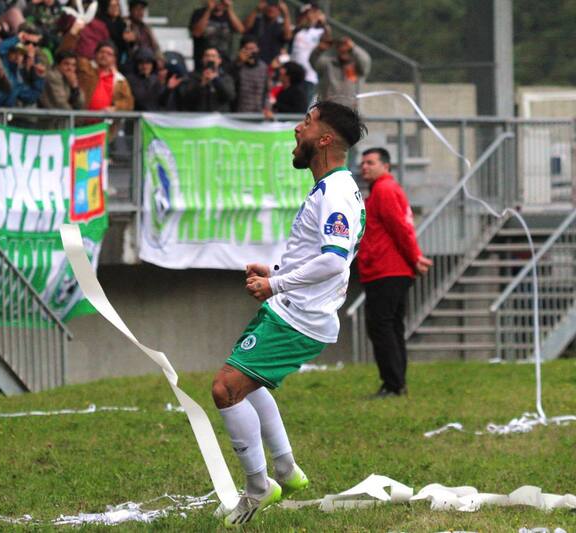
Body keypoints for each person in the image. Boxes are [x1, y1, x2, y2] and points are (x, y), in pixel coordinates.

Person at [211, 101, 367, 526]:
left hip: (299, 316)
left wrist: (276, 285)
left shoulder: (335, 191)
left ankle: (259, 487)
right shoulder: (331, 186)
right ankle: (285, 469)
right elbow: (318, 255)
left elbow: (334, 260)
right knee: (247, 384)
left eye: (307, 122)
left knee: (226, 389)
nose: (298, 129)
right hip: (292, 308)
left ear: (325, 139)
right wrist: (276, 273)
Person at [357, 148, 432, 398]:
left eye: (370, 162)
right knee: (391, 326)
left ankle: (393, 384)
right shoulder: (384, 190)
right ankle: (397, 382)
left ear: (386, 166)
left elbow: (400, 228)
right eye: (363, 163)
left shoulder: (384, 189)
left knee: (382, 326)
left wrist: (415, 257)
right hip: (390, 269)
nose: (364, 167)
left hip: (386, 270)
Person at [310, 33, 371, 109]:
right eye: (340, 47)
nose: (344, 50)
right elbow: (315, 62)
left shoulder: (358, 66)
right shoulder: (327, 64)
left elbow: (365, 60)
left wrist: (353, 47)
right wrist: (319, 49)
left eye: (347, 49)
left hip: (352, 108)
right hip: (329, 108)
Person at [289, 2, 327, 103]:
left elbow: (327, 40)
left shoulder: (320, 32)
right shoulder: (297, 31)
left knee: (304, 106)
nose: (309, 16)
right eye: (306, 14)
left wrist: (322, 23)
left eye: (312, 13)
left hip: (309, 77)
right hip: (292, 77)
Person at [189, 0, 245, 65]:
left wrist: (229, 8)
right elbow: (197, 33)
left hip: (224, 59)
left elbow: (240, 30)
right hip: (204, 59)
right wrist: (209, 10)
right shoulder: (199, 13)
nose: (219, 3)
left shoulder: (229, 14)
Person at [181, 47, 235, 112]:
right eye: (207, 56)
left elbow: (230, 96)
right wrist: (201, 84)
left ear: (219, 60)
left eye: (213, 56)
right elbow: (187, 98)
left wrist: (216, 79)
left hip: (219, 116)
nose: (210, 59)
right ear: (203, 59)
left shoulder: (225, 77)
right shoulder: (193, 76)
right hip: (199, 115)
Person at [40, 49, 85, 128]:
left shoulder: (71, 78)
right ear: (57, 65)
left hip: (64, 124)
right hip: (50, 125)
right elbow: (61, 104)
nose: (70, 68)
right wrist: (76, 118)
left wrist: (75, 87)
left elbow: (81, 103)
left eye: (73, 65)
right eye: (66, 64)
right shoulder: (52, 76)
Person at [243, 0, 292, 65]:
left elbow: (288, 37)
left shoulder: (282, 25)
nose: (272, 9)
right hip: (251, 62)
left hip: (270, 64)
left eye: (276, 6)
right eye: (270, 5)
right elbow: (245, 28)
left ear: (280, 10)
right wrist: (256, 10)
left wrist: (286, 14)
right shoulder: (257, 19)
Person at [229, 35, 268, 113]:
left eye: (253, 48)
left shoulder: (263, 67)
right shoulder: (236, 66)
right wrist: (239, 64)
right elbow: (231, 86)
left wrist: (265, 108)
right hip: (239, 111)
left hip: (258, 112)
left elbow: (265, 90)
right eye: (248, 49)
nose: (251, 52)